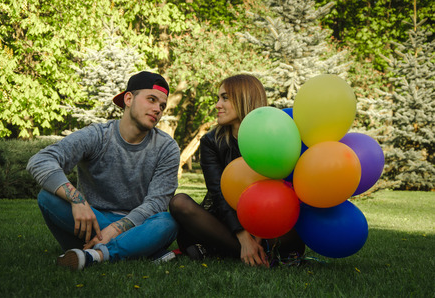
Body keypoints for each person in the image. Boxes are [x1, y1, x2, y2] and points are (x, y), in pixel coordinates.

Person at [27, 71, 181, 270]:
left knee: (167, 221)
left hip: (134, 224)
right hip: (89, 222)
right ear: (128, 98)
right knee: (47, 197)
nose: (157, 109)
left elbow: (157, 202)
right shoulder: (97, 135)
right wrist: (76, 199)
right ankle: (139, 250)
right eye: (151, 99)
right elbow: (40, 160)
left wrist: (116, 228)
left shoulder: (166, 147)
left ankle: (94, 255)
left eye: (162, 105)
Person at [169, 74, 305, 267]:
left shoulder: (273, 135)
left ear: (245, 99)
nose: (217, 105)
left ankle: (235, 249)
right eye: (218, 98)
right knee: (179, 202)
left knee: (291, 228)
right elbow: (218, 192)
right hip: (225, 220)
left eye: (225, 98)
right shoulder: (210, 141)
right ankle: (253, 251)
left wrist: (258, 232)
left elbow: (280, 187)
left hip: (268, 215)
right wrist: (243, 237)